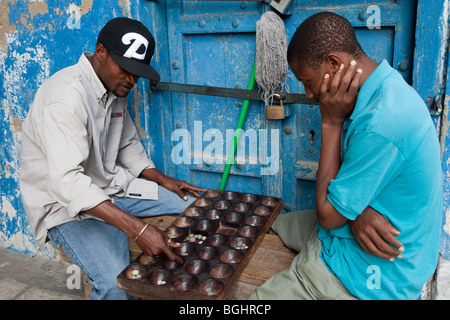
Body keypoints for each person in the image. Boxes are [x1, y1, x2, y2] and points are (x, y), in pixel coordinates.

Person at [250, 12, 442, 300]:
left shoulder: (382, 122)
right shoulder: (381, 87)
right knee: (268, 223)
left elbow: (328, 217)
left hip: (371, 276)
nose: (309, 94)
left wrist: (330, 122)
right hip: (349, 227)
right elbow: (351, 193)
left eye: (307, 81)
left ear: (334, 64)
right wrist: (356, 212)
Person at [19, 17, 206, 300]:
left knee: (193, 205)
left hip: (110, 188)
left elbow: (127, 144)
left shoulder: (113, 88)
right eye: (126, 69)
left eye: (137, 72)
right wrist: (137, 229)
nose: (132, 79)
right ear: (101, 52)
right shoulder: (65, 98)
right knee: (115, 282)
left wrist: (162, 180)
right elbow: (67, 184)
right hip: (64, 207)